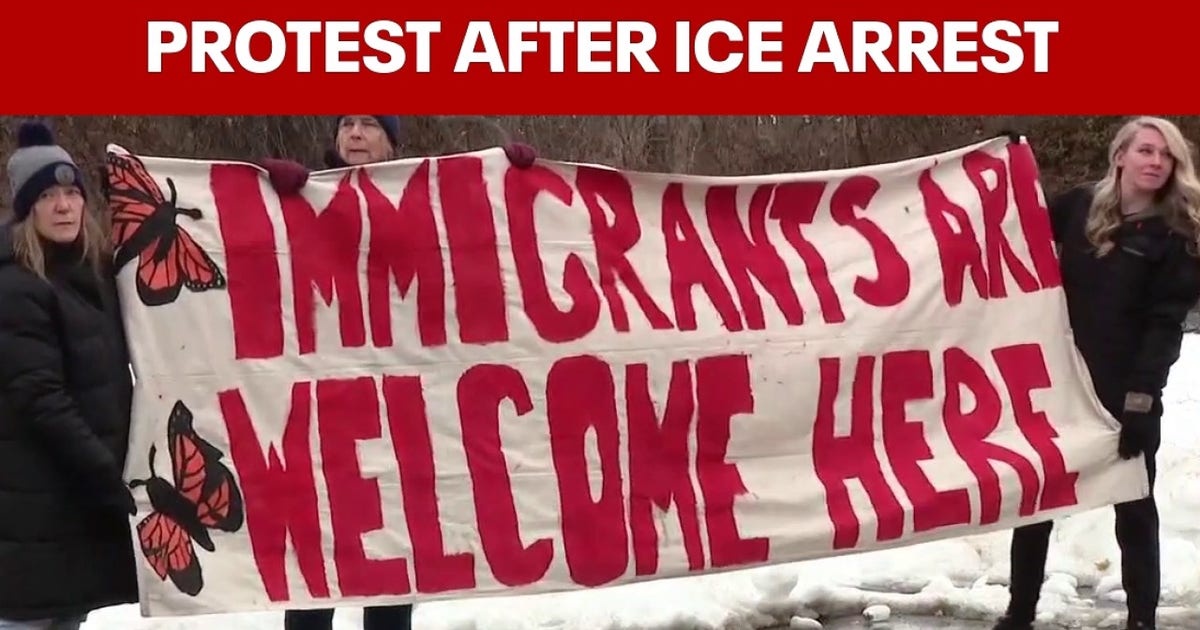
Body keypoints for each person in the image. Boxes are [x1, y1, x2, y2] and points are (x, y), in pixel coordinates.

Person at [259, 115, 536, 630]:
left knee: (394, 557)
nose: (355, 134)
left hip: (401, 416)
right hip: (324, 416)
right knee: (315, 562)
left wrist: (514, 184)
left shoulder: (427, 201)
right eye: (346, 123)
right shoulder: (298, 199)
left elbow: (482, 250)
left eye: (369, 124)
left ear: (391, 142)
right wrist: (260, 192)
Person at [993, 117, 1200, 630]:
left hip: (1125, 389)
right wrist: (1003, 163)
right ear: (1120, 156)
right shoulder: (1081, 206)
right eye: (1146, 150)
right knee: (1036, 503)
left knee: (1133, 506)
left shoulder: (1178, 235)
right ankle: (1019, 613)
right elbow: (1017, 225)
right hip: (1061, 381)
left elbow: (1164, 325)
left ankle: (1140, 620)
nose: (1156, 162)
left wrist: (1141, 400)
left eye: (1166, 155)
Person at [0, 121, 139, 629]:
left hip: (71, 511)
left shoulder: (90, 274)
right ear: (27, 209)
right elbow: (42, 400)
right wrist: (108, 475)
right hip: (32, 512)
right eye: (47, 196)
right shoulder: (17, 286)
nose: (63, 206)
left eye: (72, 193)